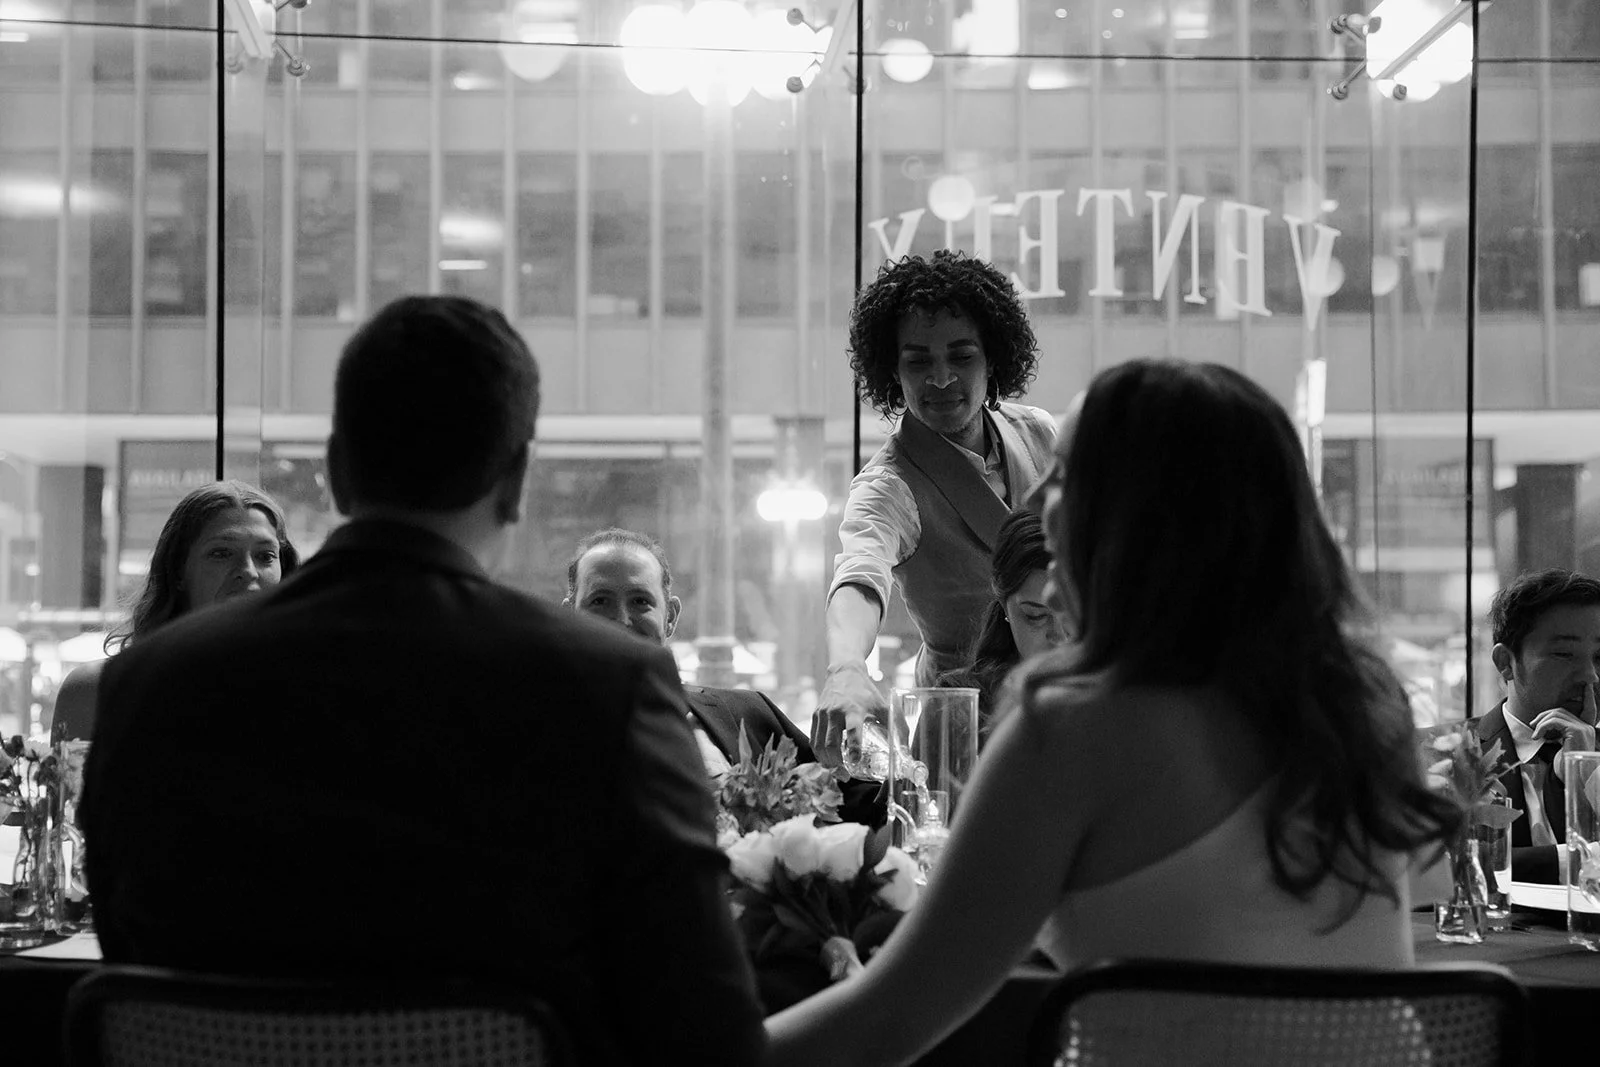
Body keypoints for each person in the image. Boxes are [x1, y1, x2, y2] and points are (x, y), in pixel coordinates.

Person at [82, 296, 765, 1067]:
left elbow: (131, 957)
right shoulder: (606, 685)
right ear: (515, 484)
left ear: (338, 470)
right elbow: (710, 1038)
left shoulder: (147, 683)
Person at [765, 360, 1458, 1067]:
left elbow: (891, 1015)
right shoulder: (1367, 700)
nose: (1038, 497)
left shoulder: (1071, 727)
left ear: (1135, 518)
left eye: (1065, 475)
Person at [815, 250, 1056, 766]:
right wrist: (847, 670)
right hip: (965, 722)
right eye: (918, 360)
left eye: (962, 356)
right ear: (891, 370)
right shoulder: (888, 486)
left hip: (1066, 691)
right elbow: (859, 576)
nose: (942, 378)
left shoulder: (1040, 432)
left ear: (994, 359)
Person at [566, 527, 882, 825]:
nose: (621, 620)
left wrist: (888, 745)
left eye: (640, 601)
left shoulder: (749, 714)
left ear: (671, 617)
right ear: (570, 614)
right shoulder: (532, 729)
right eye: (599, 600)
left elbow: (866, 805)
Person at [50, 480, 300, 743]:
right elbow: (70, 785)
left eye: (265, 556)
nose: (248, 570)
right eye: (221, 553)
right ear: (178, 570)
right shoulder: (94, 693)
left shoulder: (310, 689)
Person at [1475, 569, 1600, 885]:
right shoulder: (1443, 754)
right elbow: (1438, 870)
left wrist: (1587, 770)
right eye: (1563, 654)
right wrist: (1572, 860)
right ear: (1506, 662)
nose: (1590, 676)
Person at [935, 509, 1062, 739]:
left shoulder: (1122, 700)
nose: (1059, 634)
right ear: (1005, 607)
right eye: (1035, 615)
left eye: (1071, 614)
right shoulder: (959, 706)